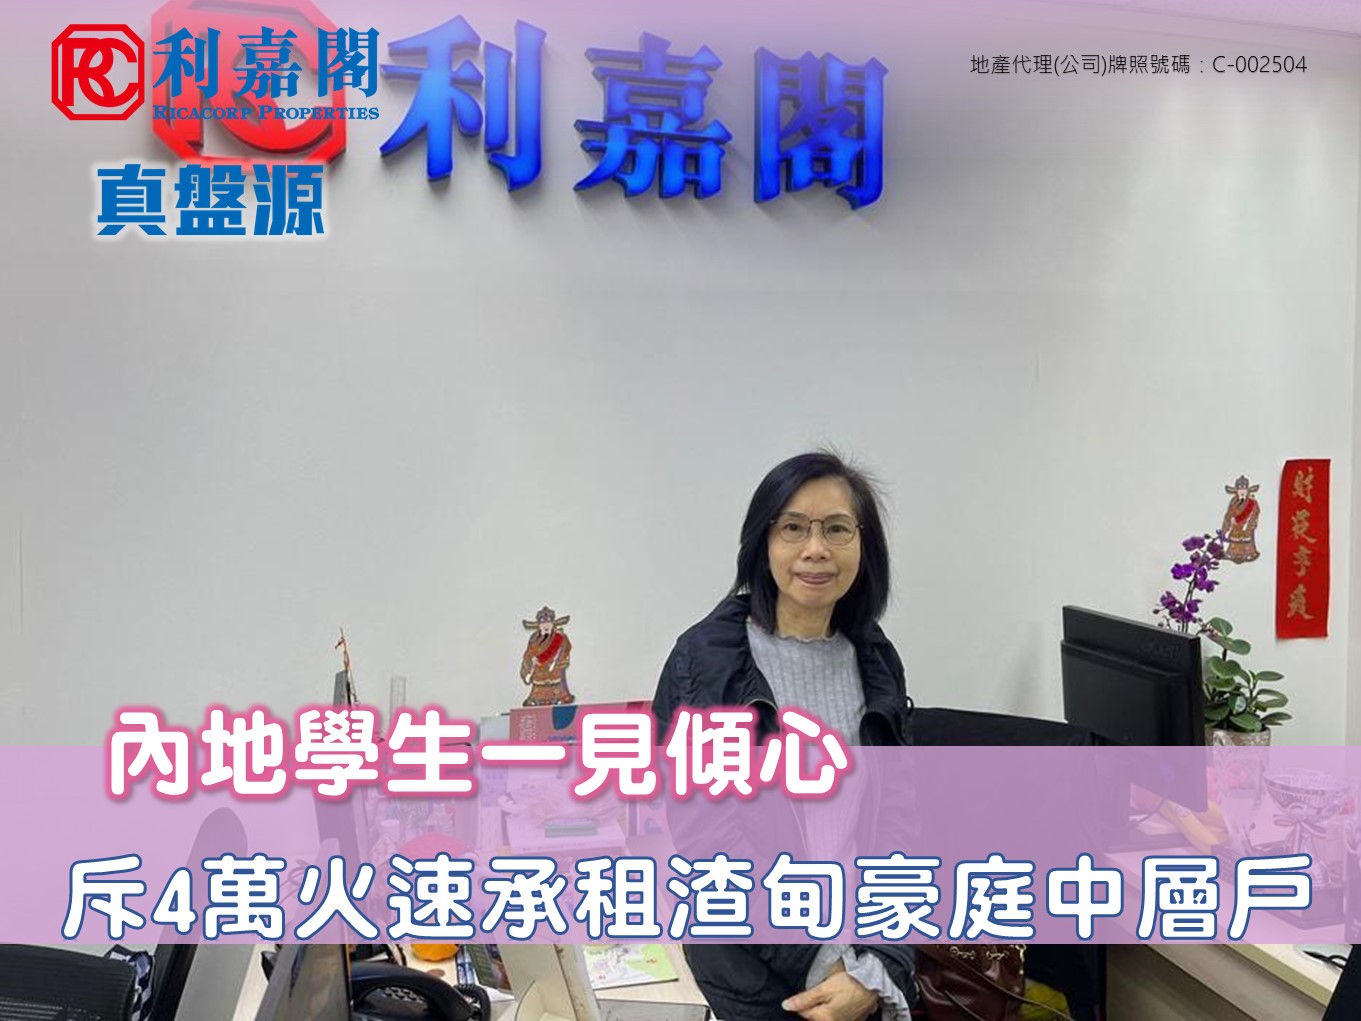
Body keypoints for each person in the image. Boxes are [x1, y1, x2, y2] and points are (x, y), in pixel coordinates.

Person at [651, 451, 917, 1021]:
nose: (815, 549)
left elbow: (899, 827)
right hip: (755, 972)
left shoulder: (876, 660)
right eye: (793, 528)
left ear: (863, 545)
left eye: (837, 529)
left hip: (861, 970)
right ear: (763, 542)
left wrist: (880, 969)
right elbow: (712, 843)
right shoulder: (705, 662)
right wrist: (829, 969)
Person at [519, 606, 575, 706]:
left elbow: (565, 651)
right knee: (537, 689)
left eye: (548, 623)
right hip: (538, 672)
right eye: (543, 623)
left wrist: (556, 662)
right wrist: (531, 660)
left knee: (557, 688)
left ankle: (560, 697)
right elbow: (528, 653)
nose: (546, 626)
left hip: (554, 671)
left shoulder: (559, 637)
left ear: (553, 624)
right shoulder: (534, 638)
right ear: (539, 625)